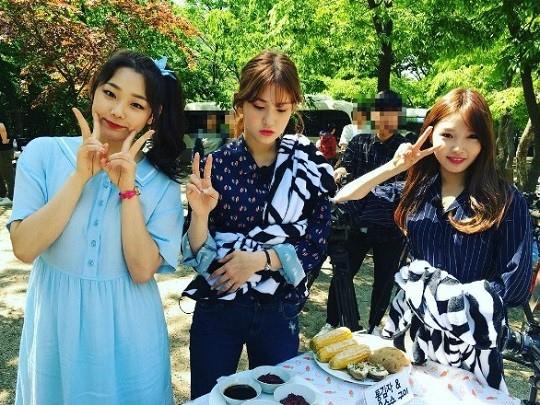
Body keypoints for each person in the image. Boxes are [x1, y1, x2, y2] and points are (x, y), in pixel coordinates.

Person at [9, 50, 185, 404]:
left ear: (152, 115)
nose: (117, 111)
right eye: (110, 93)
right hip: (55, 328)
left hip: (130, 333)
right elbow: (24, 248)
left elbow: (141, 270)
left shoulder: (162, 186)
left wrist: (128, 191)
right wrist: (79, 177)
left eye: (136, 104)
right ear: (94, 91)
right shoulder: (43, 153)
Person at [333, 88, 532, 391]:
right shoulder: (417, 190)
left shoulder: (505, 200)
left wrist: (448, 305)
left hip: (470, 344)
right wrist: (394, 168)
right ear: (430, 134)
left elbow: (514, 285)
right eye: (447, 135)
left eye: (472, 137)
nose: (458, 147)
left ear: (485, 141)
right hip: (412, 338)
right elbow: (344, 198)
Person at [181, 50, 335, 399]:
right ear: (240, 104)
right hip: (219, 304)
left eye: (281, 109)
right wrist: (201, 213)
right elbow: (199, 257)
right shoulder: (216, 165)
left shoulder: (308, 167)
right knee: (208, 397)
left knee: (279, 399)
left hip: (279, 308)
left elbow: (316, 242)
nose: (269, 119)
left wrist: (260, 259)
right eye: (259, 105)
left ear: (293, 109)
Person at [327, 90, 408, 333]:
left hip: (390, 227)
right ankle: (331, 322)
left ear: (398, 117)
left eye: (391, 114)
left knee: (384, 280)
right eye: (380, 113)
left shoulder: (404, 149)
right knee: (342, 273)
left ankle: (373, 326)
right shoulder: (359, 142)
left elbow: (405, 186)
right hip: (356, 222)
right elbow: (344, 166)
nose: (385, 119)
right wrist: (340, 171)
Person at [0, 122, 14, 205]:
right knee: (1, 174)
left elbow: (1, 127)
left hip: (4, 151)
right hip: (2, 150)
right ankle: (2, 195)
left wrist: (4, 141)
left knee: (8, 174)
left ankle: (11, 197)